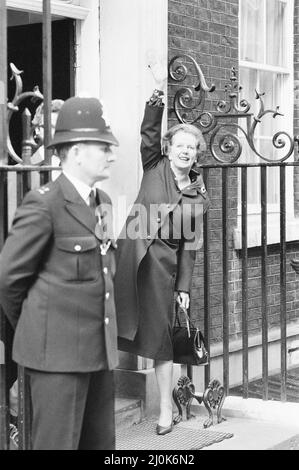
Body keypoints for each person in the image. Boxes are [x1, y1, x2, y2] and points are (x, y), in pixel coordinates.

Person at [0, 95, 119, 450]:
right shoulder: (44, 203)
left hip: (99, 353)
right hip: (56, 359)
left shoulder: (104, 203)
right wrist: (40, 328)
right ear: (77, 151)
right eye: (104, 147)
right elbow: (9, 279)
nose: (112, 154)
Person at [115, 60, 210, 436]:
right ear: (169, 149)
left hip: (160, 268)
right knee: (109, 325)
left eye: (191, 147)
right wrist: (157, 94)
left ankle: (166, 409)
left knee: (159, 341)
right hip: (128, 257)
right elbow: (148, 133)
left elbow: (192, 246)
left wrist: (183, 287)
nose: (185, 151)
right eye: (180, 145)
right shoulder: (154, 164)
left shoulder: (198, 195)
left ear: (197, 154)